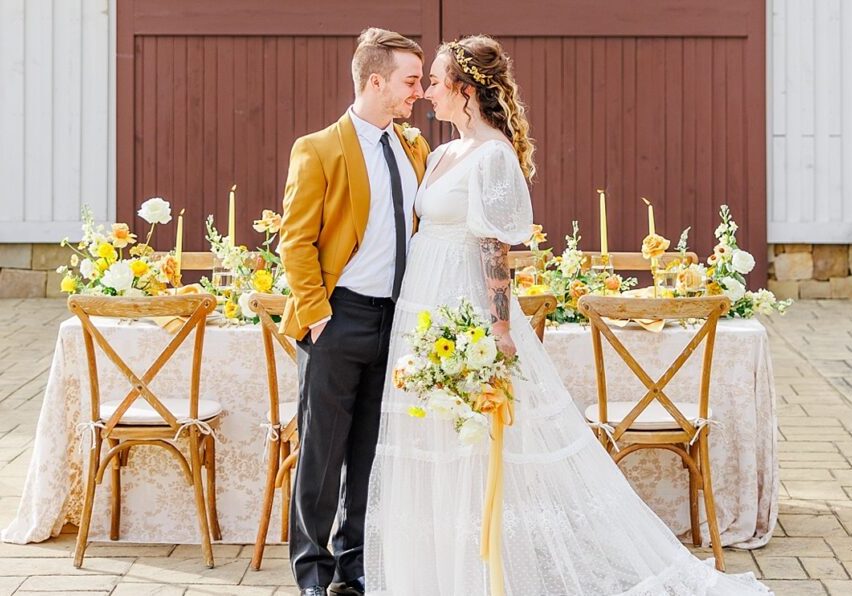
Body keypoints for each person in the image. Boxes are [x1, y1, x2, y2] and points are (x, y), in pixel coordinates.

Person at [363, 35, 772, 595]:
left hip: (465, 309)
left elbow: (494, 251)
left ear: (464, 89)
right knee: (430, 440)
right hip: (422, 307)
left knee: (476, 443)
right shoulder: (439, 154)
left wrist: (500, 328)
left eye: (435, 81)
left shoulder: (494, 157)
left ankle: (484, 577)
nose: (428, 91)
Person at [278, 27, 430, 596]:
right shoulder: (317, 149)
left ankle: (355, 565)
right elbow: (295, 242)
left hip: (395, 321)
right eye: (410, 80)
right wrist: (319, 316)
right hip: (338, 319)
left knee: (371, 452)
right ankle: (312, 574)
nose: (418, 90)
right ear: (375, 80)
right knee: (321, 453)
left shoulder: (412, 147)